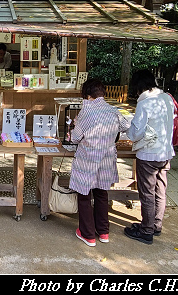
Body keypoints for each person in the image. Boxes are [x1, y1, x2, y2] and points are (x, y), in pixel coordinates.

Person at [70, 78, 130, 247]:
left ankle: (88, 234)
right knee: (101, 194)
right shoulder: (113, 110)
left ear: (87, 95)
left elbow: (75, 138)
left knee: (84, 194)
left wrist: (76, 125)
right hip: (107, 157)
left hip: (88, 158)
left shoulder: (86, 112)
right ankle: (103, 232)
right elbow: (125, 126)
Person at [124, 70, 175, 245]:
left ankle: (146, 231)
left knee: (147, 192)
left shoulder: (145, 104)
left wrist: (127, 131)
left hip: (149, 155)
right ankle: (156, 225)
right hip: (166, 152)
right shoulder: (167, 98)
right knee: (160, 190)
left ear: (138, 86)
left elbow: (136, 132)